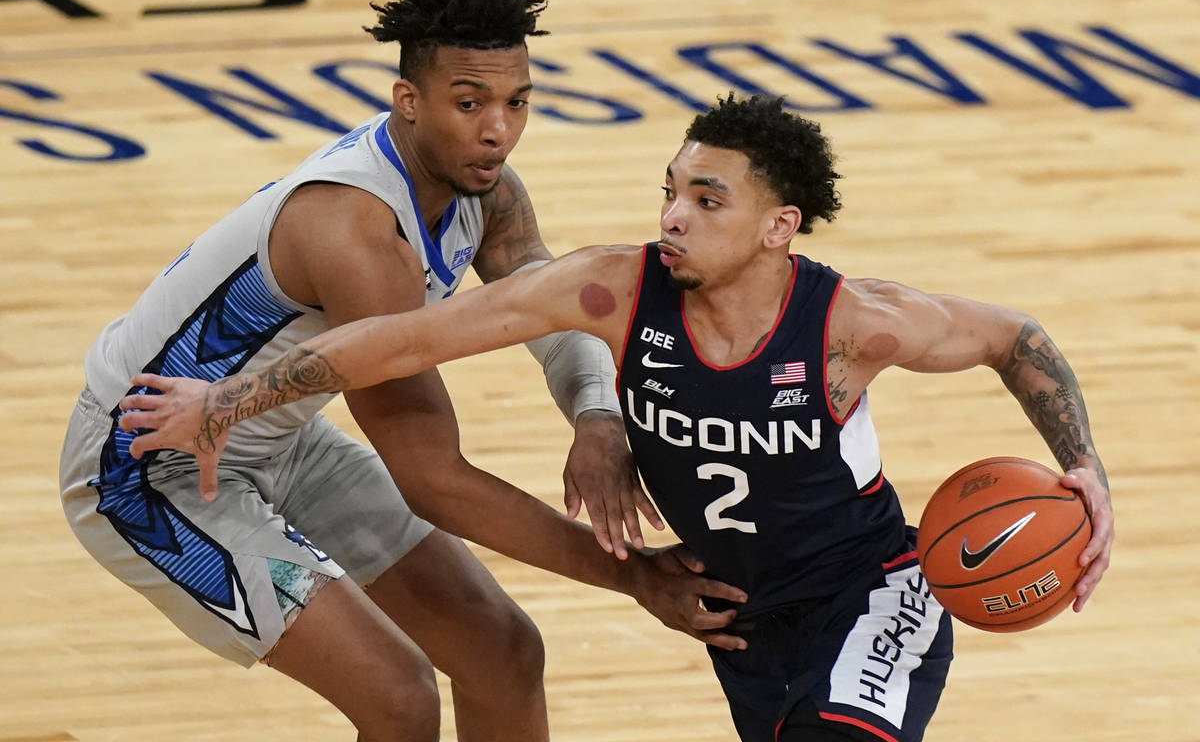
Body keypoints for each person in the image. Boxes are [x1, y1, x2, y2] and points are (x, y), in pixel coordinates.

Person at [119, 92, 1115, 742]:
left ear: (778, 226)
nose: (673, 214)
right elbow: (401, 341)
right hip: (738, 615)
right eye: (672, 190)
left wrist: (1087, 471)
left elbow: (1014, 337)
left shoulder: (852, 322)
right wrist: (228, 400)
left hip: (868, 593)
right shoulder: (612, 288)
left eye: (706, 199)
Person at [59, 0, 750, 742]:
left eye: (516, 101)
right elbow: (433, 479)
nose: (497, 129)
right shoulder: (356, 231)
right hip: (151, 461)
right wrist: (635, 578)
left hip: (276, 436)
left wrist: (597, 417)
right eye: (469, 103)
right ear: (407, 102)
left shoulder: (485, 186)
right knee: (400, 698)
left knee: (503, 652)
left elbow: (555, 312)